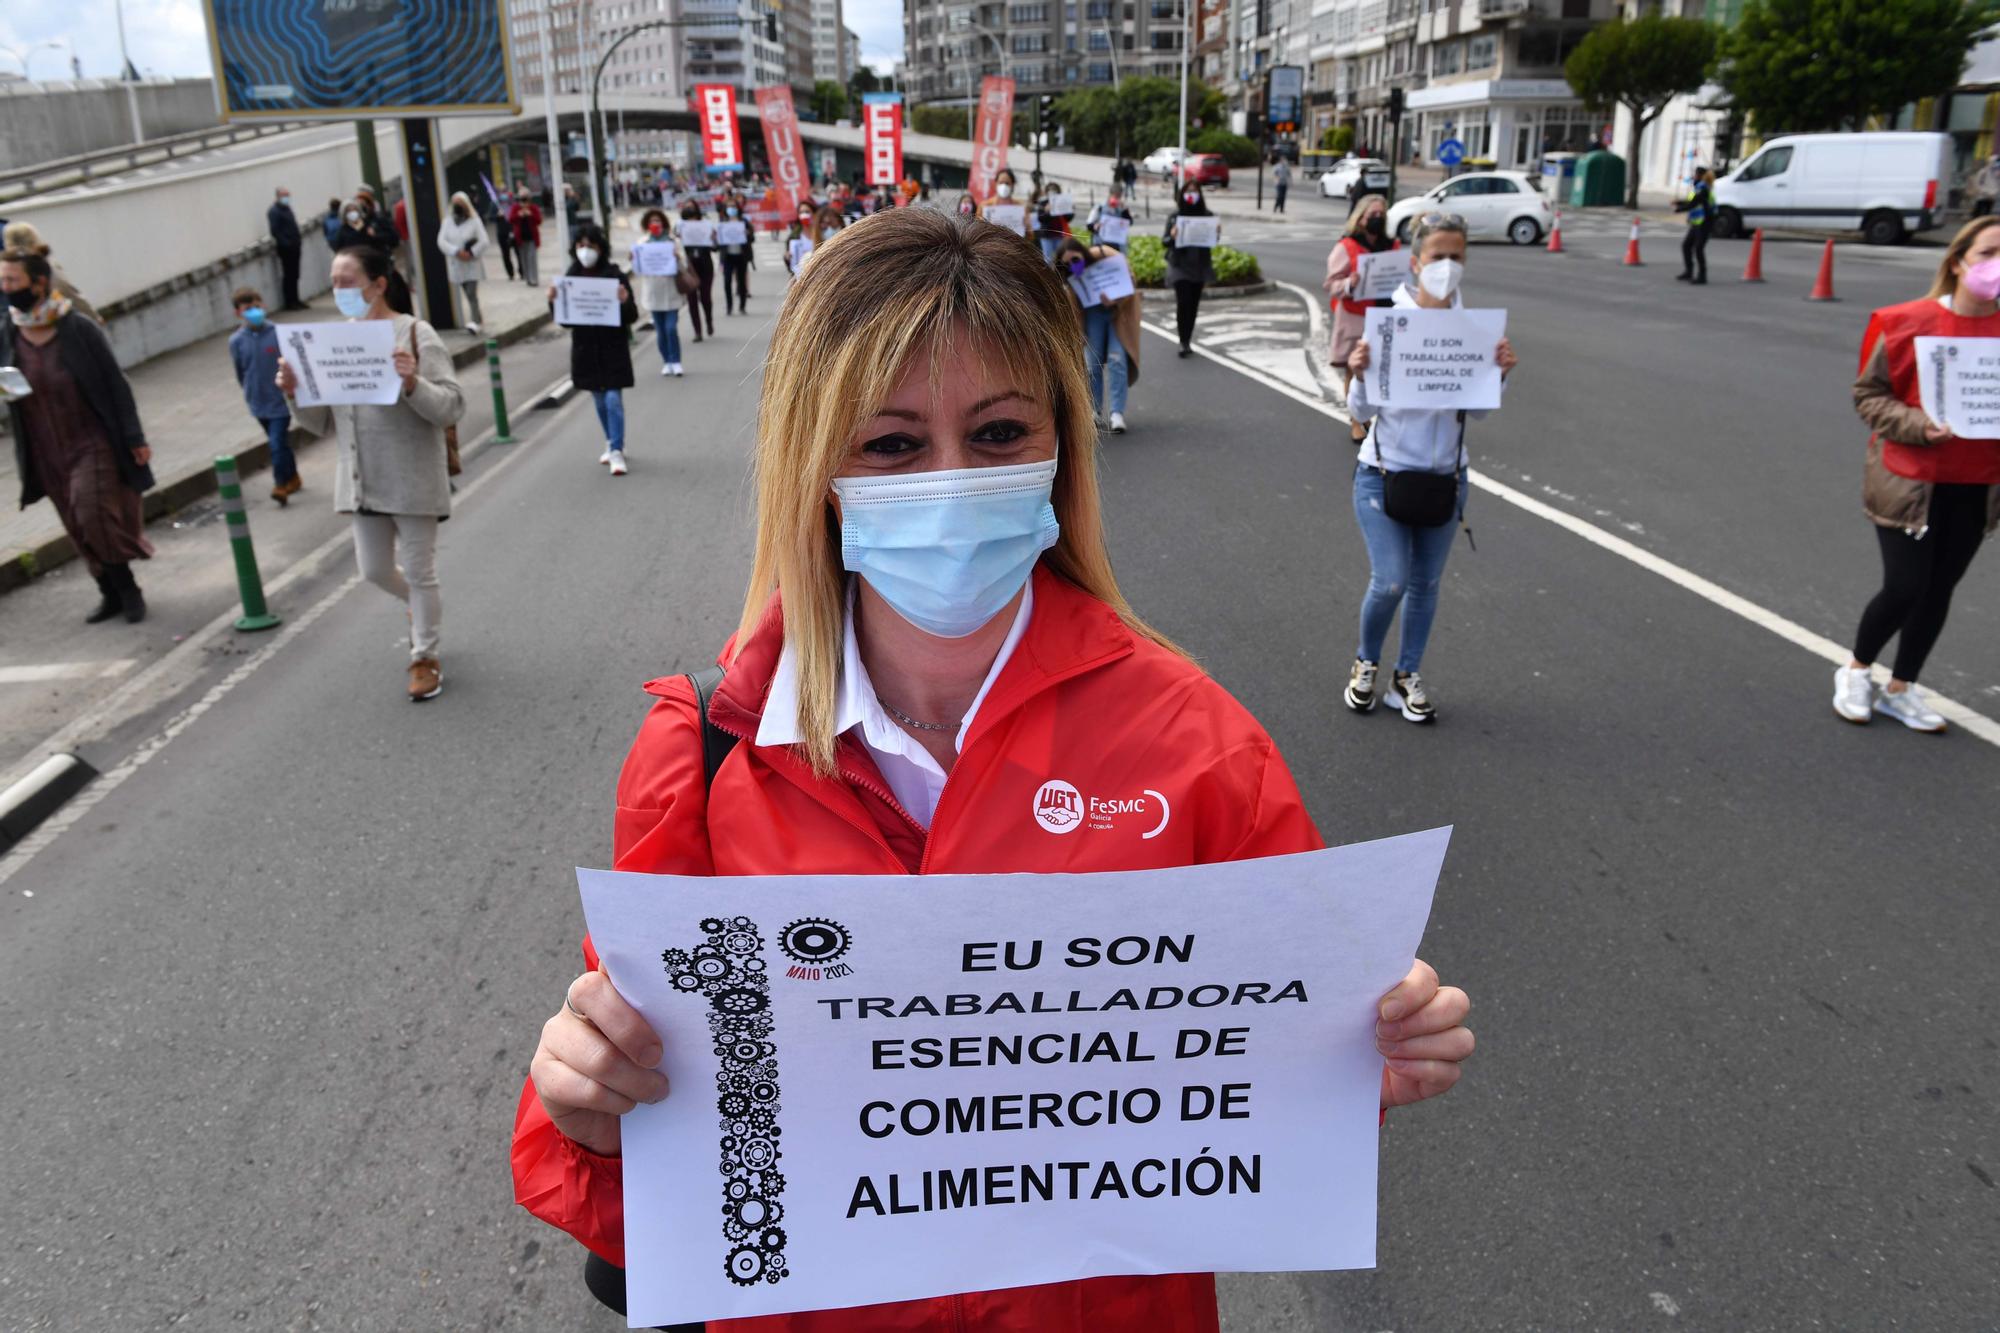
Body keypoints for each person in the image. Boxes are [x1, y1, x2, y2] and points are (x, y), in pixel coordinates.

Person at [510, 207, 1475, 1328]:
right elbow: (661, 1197)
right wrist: (589, 1102)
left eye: (1000, 431)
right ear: (814, 466)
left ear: (1060, 445)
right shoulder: (705, 753)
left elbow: (1257, 1110)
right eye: (890, 443)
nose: (951, 479)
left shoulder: (1201, 748)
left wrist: (1363, 1061)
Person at [1343, 213, 1518, 723]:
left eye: (1456, 256)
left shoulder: (1474, 331)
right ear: (1416, 262)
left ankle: (1406, 676)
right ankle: (1366, 662)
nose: (1446, 266)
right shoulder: (1390, 324)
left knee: (1426, 585)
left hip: (1446, 480)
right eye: (1437, 256)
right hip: (1383, 474)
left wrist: (1499, 373)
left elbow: (1479, 412)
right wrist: (1358, 374)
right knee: (1391, 580)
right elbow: (1359, 414)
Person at [1835, 216, 2000, 732]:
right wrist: (1918, 425)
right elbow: (1868, 395)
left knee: (1939, 589)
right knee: (1906, 585)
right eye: (1989, 254)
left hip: (1977, 486)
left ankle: (1902, 687)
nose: (1997, 267)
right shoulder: (1905, 322)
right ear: (1957, 262)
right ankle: (1857, 670)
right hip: (1911, 481)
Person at [279, 246, 463, 701]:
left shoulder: (416, 334)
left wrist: (411, 383)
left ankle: (425, 656)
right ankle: (420, 611)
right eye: (334, 281)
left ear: (379, 284)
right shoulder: (333, 343)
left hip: (413, 477)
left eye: (347, 281)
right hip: (363, 481)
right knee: (374, 570)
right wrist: (294, 392)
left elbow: (452, 406)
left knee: (421, 572)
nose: (338, 290)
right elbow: (320, 423)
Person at [0, 249, 154, 624]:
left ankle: (128, 587)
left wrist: (134, 436)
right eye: (2, 280)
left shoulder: (77, 328)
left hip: (91, 440)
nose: (5, 288)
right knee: (74, 523)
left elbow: (116, 384)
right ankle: (109, 592)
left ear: (38, 283)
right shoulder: (8, 331)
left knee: (92, 514)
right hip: (43, 446)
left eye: (12, 280)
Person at [549, 225, 636, 474]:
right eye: (581, 246)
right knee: (599, 400)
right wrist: (553, 300)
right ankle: (612, 441)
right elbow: (565, 320)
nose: (585, 251)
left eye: (591, 246)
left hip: (612, 349)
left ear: (601, 248)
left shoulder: (614, 275)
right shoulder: (571, 277)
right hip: (586, 351)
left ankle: (617, 450)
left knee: (612, 399)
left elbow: (631, 315)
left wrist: (624, 300)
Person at [1324, 193, 1397, 444]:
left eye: (1381, 215)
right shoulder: (1346, 246)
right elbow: (1331, 285)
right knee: (1355, 369)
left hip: (1386, 314)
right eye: (1372, 215)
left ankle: (1376, 416)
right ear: (1361, 218)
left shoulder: (1392, 245)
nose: (1377, 219)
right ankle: (1357, 420)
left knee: (1382, 369)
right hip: (1356, 316)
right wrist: (1349, 283)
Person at [1056, 235, 1140, 434]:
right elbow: (1073, 309)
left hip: (1118, 315)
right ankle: (1095, 411)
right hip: (1092, 316)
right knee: (1091, 364)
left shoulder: (1105, 255)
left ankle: (1116, 413)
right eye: (1067, 264)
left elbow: (1130, 279)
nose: (1073, 265)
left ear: (1083, 252)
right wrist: (1078, 332)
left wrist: (1115, 300)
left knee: (1117, 359)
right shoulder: (1069, 278)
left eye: (1076, 259)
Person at [227, 286, 300, 504]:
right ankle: (293, 476)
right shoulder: (236, 341)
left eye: (257, 307)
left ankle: (280, 485)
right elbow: (240, 371)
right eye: (248, 308)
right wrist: (249, 393)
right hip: (258, 402)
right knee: (279, 443)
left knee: (276, 443)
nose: (255, 312)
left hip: (280, 401)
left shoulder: (278, 333)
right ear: (238, 313)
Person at [1, 222, 102, 324]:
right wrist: (94, 318)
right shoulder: (47, 267)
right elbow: (69, 292)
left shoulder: (7, 271)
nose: (5, 286)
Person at [633, 208, 689, 378]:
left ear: (663, 223)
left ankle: (676, 361)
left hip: (671, 292)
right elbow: (637, 272)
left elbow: (684, 267)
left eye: (658, 220)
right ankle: (666, 361)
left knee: (671, 328)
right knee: (661, 331)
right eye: (652, 221)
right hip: (653, 294)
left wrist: (677, 258)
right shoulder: (642, 243)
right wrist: (634, 258)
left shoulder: (673, 242)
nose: (655, 224)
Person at [1164, 182, 1216, 358]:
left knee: (1193, 305)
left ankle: (1188, 338)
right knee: (1183, 302)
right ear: (1182, 194)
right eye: (1188, 191)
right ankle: (1182, 340)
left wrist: (1216, 232)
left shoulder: (1207, 216)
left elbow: (1212, 241)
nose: (1192, 194)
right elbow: (1164, 241)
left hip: (1199, 266)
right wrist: (1172, 236)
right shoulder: (1175, 217)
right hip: (1179, 265)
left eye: (1195, 191)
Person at [436, 190, 490, 334]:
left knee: (472, 292)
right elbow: (441, 241)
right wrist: (455, 251)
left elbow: (484, 241)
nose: (458, 206)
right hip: (457, 263)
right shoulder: (447, 222)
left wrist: (471, 252)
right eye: (456, 204)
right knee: (467, 292)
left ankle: (475, 322)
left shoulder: (475, 220)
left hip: (472, 263)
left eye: (461, 204)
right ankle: (478, 316)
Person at [679, 200, 716, 342]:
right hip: (689, 267)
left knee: (705, 297)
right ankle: (697, 331)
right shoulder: (680, 227)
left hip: (705, 265)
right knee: (692, 299)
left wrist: (713, 238)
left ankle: (709, 320)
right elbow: (677, 249)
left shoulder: (705, 226)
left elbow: (714, 247)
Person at [267, 186, 308, 311]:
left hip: (295, 245)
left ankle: (296, 299)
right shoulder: (274, 211)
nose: (287, 198)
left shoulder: (287, 209)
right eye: (284, 195)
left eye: (287, 195)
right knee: (289, 274)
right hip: (286, 248)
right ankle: (289, 302)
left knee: (295, 274)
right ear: (278, 196)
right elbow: (275, 230)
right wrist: (286, 243)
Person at [333, 190, 399, 256]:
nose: (352, 212)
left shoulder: (367, 224)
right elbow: (339, 252)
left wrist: (375, 235)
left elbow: (390, 239)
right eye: (348, 211)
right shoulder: (342, 232)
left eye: (354, 209)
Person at [1678, 167, 1715, 285]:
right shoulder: (1697, 188)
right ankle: (1689, 272)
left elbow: (1694, 203)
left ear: (1700, 176)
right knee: (1686, 246)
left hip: (1705, 222)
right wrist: (1678, 203)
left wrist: (1680, 209)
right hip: (1697, 222)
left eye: (1695, 174)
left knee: (1698, 249)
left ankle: (1702, 276)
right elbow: (1690, 201)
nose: (1693, 176)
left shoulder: (1703, 188)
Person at [718, 199, 754, 316]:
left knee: (741, 282)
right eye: (729, 206)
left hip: (741, 256)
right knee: (727, 281)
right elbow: (719, 243)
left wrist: (747, 233)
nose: (731, 209)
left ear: (737, 208)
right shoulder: (723, 222)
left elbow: (752, 238)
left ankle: (742, 306)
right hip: (728, 257)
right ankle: (729, 306)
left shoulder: (743, 221)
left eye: (733, 206)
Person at [508, 188, 544, 287]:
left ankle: (534, 279)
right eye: (522, 198)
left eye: (526, 198)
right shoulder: (516, 208)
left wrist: (530, 214)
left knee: (532, 258)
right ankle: (528, 278)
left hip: (532, 237)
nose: (524, 201)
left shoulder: (533, 208)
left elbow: (539, 221)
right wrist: (519, 215)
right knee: (524, 259)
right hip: (520, 238)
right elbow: (510, 219)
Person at [1085, 187, 1134, 251]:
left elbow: (1129, 222)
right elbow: (1089, 224)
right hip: (1100, 244)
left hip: (1117, 245)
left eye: (1119, 196)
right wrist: (1095, 226)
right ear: (1110, 195)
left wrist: (1125, 210)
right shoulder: (1100, 207)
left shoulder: (1122, 209)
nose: (1117, 199)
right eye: (1115, 196)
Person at [1033, 180, 1071, 261]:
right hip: (1046, 235)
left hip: (1059, 235)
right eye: (1050, 190)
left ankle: (1059, 273)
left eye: (1054, 190)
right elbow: (1040, 218)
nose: (1052, 192)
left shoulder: (1062, 202)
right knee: (1048, 259)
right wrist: (1047, 211)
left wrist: (1069, 209)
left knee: (1060, 258)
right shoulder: (1043, 203)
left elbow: (1068, 218)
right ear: (1047, 192)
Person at [491, 192, 518, 281]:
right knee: (506, 255)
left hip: (513, 232)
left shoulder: (513, 205)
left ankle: (522, 272)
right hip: (502, 234)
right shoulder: (495, 205)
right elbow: (490, 217)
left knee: (518, 253)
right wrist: (497, 216)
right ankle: (510, 273)